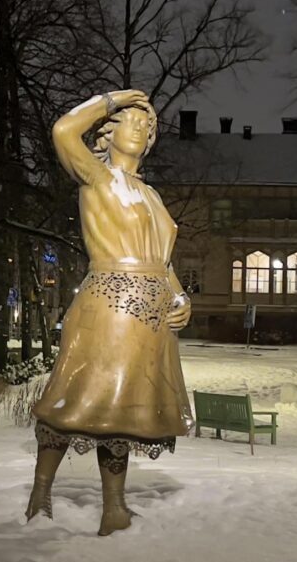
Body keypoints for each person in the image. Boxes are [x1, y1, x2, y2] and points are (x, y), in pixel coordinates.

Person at [26, 89, 192, 536]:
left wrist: (180, 298)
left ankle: (113, 507)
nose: (140, 127)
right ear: (108, 131)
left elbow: (164, 260)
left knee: (122, 412)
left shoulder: (151, 195)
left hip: (151, 313)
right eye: (129, 121)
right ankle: (40, 494)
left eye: (147, 125)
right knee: (77, 399)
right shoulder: (97, 178)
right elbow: (63, 130)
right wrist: (111, 100)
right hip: (108, 305)